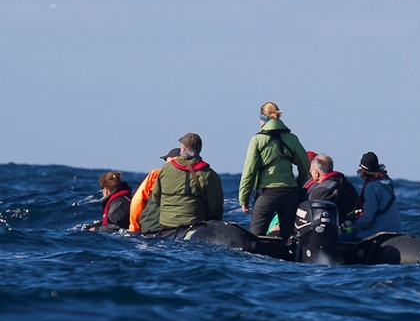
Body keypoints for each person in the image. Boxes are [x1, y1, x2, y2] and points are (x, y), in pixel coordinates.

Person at [238, 102, 310, 239]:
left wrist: (243, 199)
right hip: (290, 193)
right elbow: (305, 165)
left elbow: (249, 172)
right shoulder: (292, 138)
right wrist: (298, 183)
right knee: (288, 237)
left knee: (255, 237)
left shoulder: (257, 140)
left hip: (267, 193)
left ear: (262, 119)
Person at [145, 133, 224, 232]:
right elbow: (216, 208)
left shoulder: (166, 168)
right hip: (195, 226)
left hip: (166, 224)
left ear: (182, 148)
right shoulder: (209, 175)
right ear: (200, 149)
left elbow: (156, 197)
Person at [340, 151, 402, 241]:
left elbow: (368, 218)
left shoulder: (371, 187)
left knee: (344, 236)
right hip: (396, 229)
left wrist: (352, 226)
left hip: (380, 232)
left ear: (362, 170)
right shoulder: (386, 183)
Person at [129, 147, 180, 232]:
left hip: (151, 227)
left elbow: (137, 202)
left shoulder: (155, 174)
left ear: (170, 159)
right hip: (182, 228)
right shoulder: (194, 176)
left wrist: (134, 228)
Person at [305, 154, 359, 223]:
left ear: (316, 173)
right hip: (349, 225)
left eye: (311, 170)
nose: (310, 172)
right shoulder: (346, 184)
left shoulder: (320, 190)